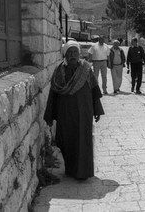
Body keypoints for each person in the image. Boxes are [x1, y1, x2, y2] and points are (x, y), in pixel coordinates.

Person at [44, 40, 104, 180]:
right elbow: (53, 95)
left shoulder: (86, 69)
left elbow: (94, 90)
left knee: (83, 142)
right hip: (65, 114)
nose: (72, 55)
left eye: (75, 52)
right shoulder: (59, 71)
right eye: (69, 53)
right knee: (66, 141)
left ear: (79, 54)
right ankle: (71, 170)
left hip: (84, 113)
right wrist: (50, 116)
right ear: (65, 55)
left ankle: (84, 173)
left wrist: (97, 110)